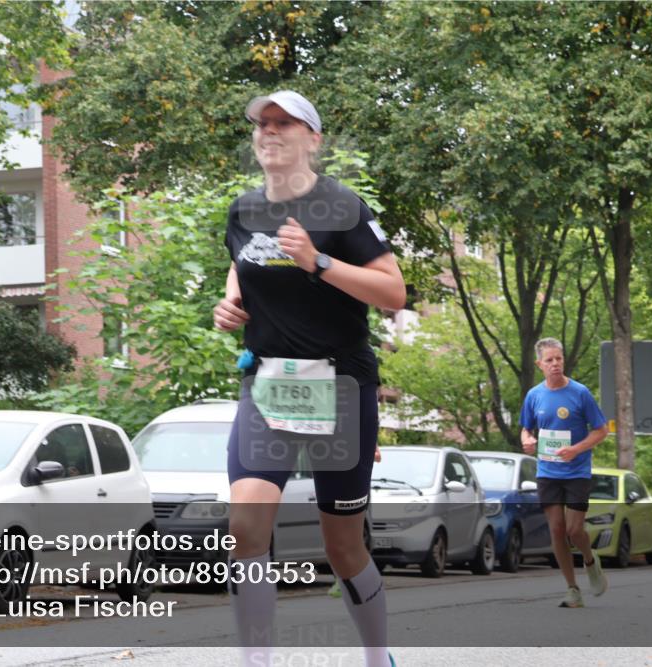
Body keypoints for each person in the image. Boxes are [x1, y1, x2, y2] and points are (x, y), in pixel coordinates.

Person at [214, 90, 405, 667]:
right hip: (268, 384)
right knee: (245, 528)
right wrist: (230, 302)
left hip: (341, 388)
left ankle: (377, 656)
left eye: (284, 124)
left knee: (342, 545)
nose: (269, 132)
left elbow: (394, 293)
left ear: (313, 139)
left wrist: (318, 262)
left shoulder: (341, 207)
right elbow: (241, 261)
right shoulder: (243, 210)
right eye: (262, 124)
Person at [520, 337, 610, 608]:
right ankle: (572, 589)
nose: (555, 364)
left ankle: (590, 560)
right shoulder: (534, 395)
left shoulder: (580, 393)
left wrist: (577, 449)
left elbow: (601, 430)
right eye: (549, 360)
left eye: (558, 358)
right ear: (540, 364)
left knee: (574, 529)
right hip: (548, 471)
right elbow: (527, 428)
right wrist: (527, 440)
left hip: (577, 471)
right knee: (557, 529)